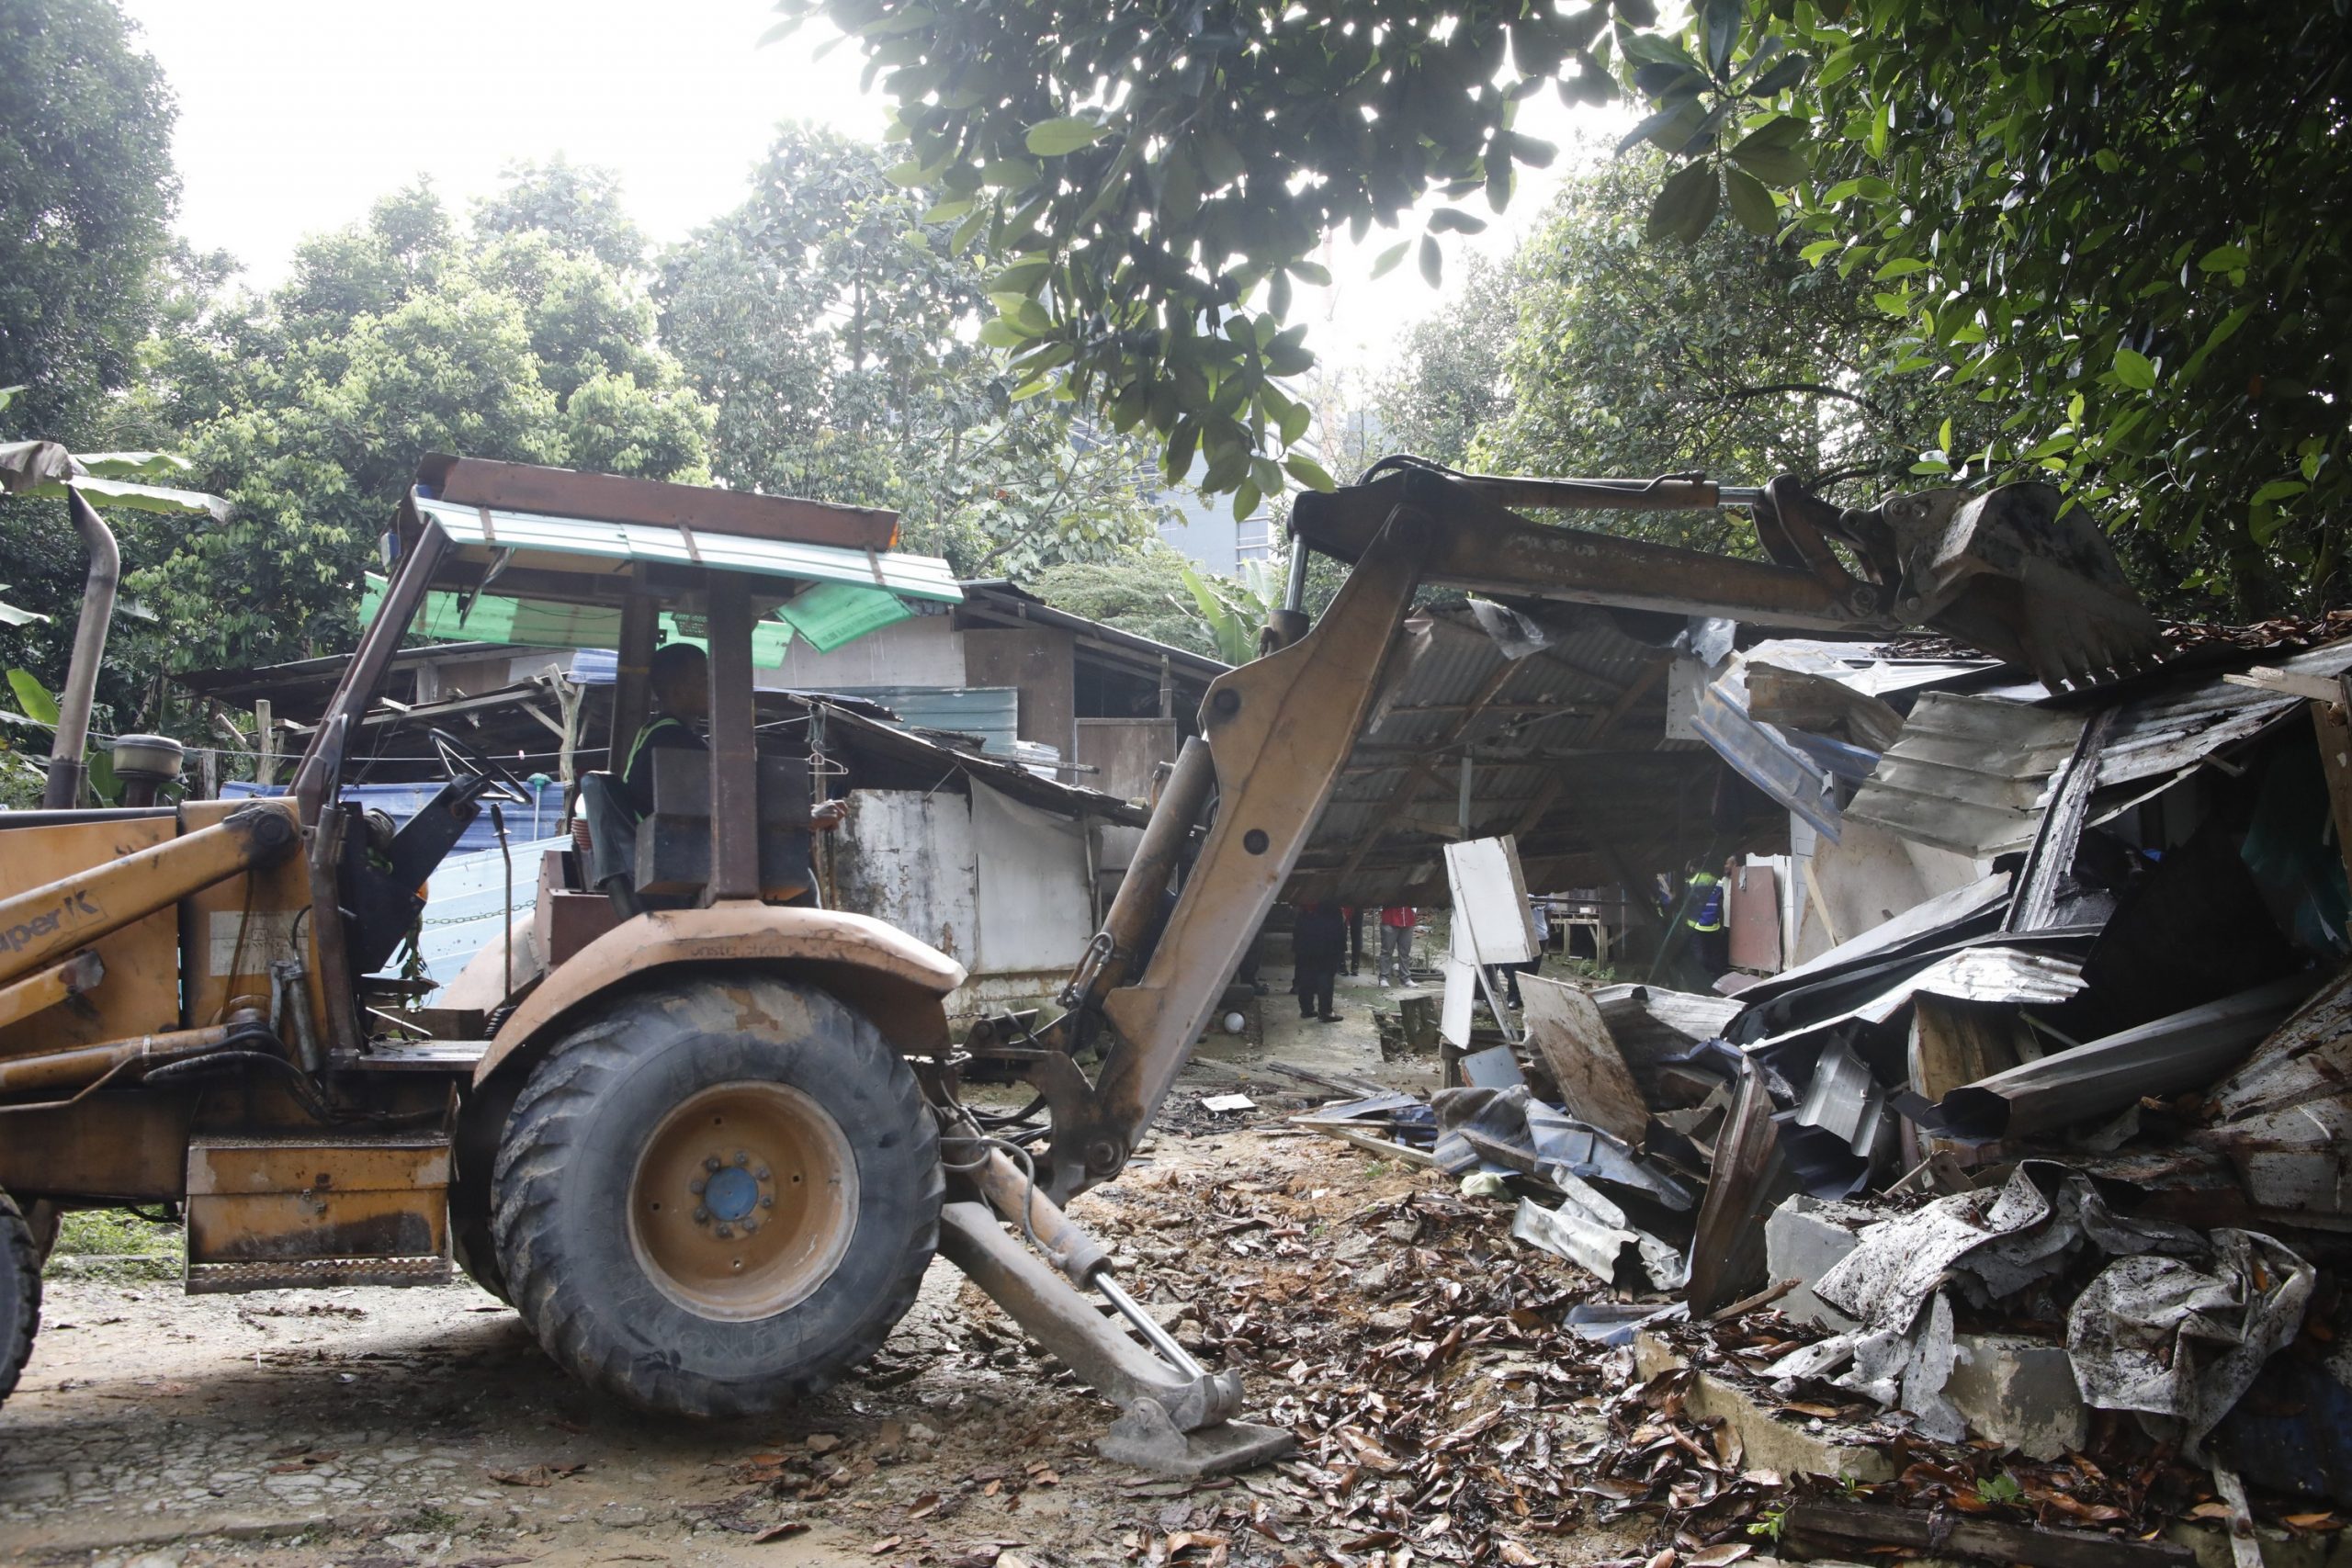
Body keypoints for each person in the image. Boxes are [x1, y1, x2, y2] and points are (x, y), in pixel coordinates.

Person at [621, 640, 846, 830]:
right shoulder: (673, 739)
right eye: (704, 680)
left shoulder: (655, 731)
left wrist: (802, 813)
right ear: (676, 691)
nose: (714, 687)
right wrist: (806, 817)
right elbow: (728, 807)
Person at [1292, 898, 1348, 1022]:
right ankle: (1325, 1011)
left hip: (1306, 923)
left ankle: (1307, 1009)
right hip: (1327, 926)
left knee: (1306, 969)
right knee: (1326, 972)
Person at [1685, 861, 1728, 976]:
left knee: (1700, 957)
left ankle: (1702, 979)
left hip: (1696, 925)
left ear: (1693, 868)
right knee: (1715, 956)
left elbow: (1686, 907)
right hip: (1714, 925)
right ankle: (1716, 979)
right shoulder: (1718, 883)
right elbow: (1720, 906)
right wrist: (1722, 925)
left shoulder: (1690, 883)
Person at [1377, 905, 1417, 986]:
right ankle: (1383, 978)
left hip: (1408, 920)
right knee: (1387, 951)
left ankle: (1406, 978)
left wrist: (1414, 911)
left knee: (1405, 952)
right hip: (1390, 919)